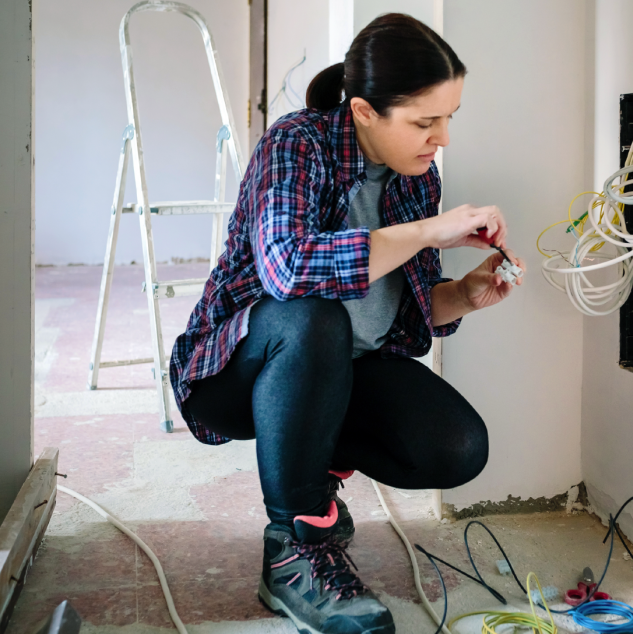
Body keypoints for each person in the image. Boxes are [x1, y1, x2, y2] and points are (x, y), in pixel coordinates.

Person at [168, 13, 523, 634]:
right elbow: (286, 271)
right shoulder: (296, 143)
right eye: (424, 122)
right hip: (238, 374)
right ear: (363, 111)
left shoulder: (416, 178)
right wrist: (426, 231)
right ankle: (296, 550)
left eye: (448, 118)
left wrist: (464, 294)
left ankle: (315, 475)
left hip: (341, 369)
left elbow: (397, 313)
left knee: (457, 447)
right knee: (313, 317)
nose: (441, 138)